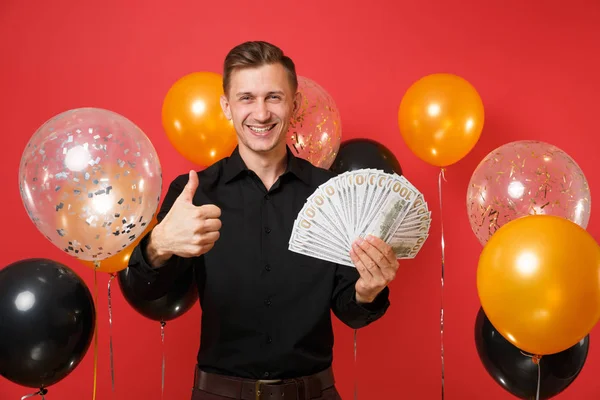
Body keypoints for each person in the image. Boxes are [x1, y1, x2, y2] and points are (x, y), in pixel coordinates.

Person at [127, 41, 399, 400]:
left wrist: (367, 291)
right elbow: (147, 293)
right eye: (246, 98)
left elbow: (352, 312)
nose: (261, 113)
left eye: (273, 97)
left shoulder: (333, 195)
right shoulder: (194, 194)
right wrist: (158, 245)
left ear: (294, 104)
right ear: (226, 107)